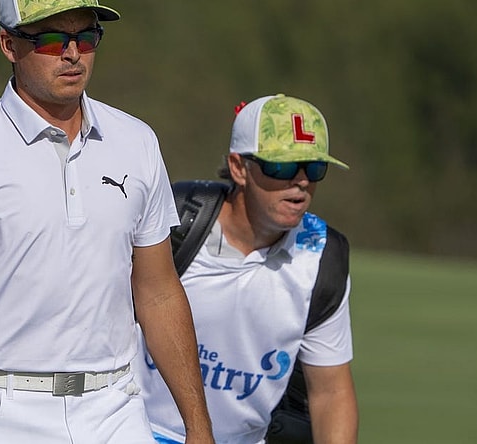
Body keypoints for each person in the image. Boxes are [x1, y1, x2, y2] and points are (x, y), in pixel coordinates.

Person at [0, 1, 214, 443]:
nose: (72, 53)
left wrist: (198, 427)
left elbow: (158, 291)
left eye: (86, 38)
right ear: (9, 45)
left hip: (117, 406)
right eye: (50, 39)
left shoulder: (138, 141)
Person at [133, 94, 359, 444]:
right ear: (239, 168)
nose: (300, 182)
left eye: (314, 168)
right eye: (282, 167)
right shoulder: (176, 224)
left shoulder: (322, 256)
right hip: (136, 433)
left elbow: (330, 392)